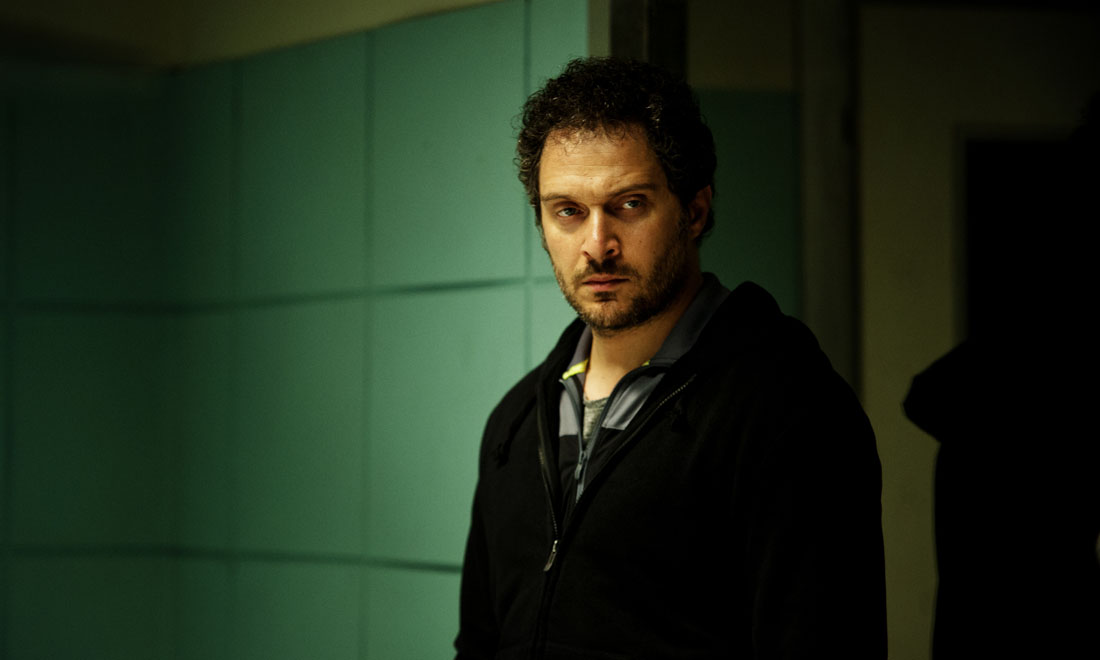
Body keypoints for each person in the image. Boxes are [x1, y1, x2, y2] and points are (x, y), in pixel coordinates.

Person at [455, 57, 886, 660]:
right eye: (568, 211)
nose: (597, 245)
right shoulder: (518, 421)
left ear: (695, 211)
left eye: (629, 204)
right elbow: (478, 644)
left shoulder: (789, 413)